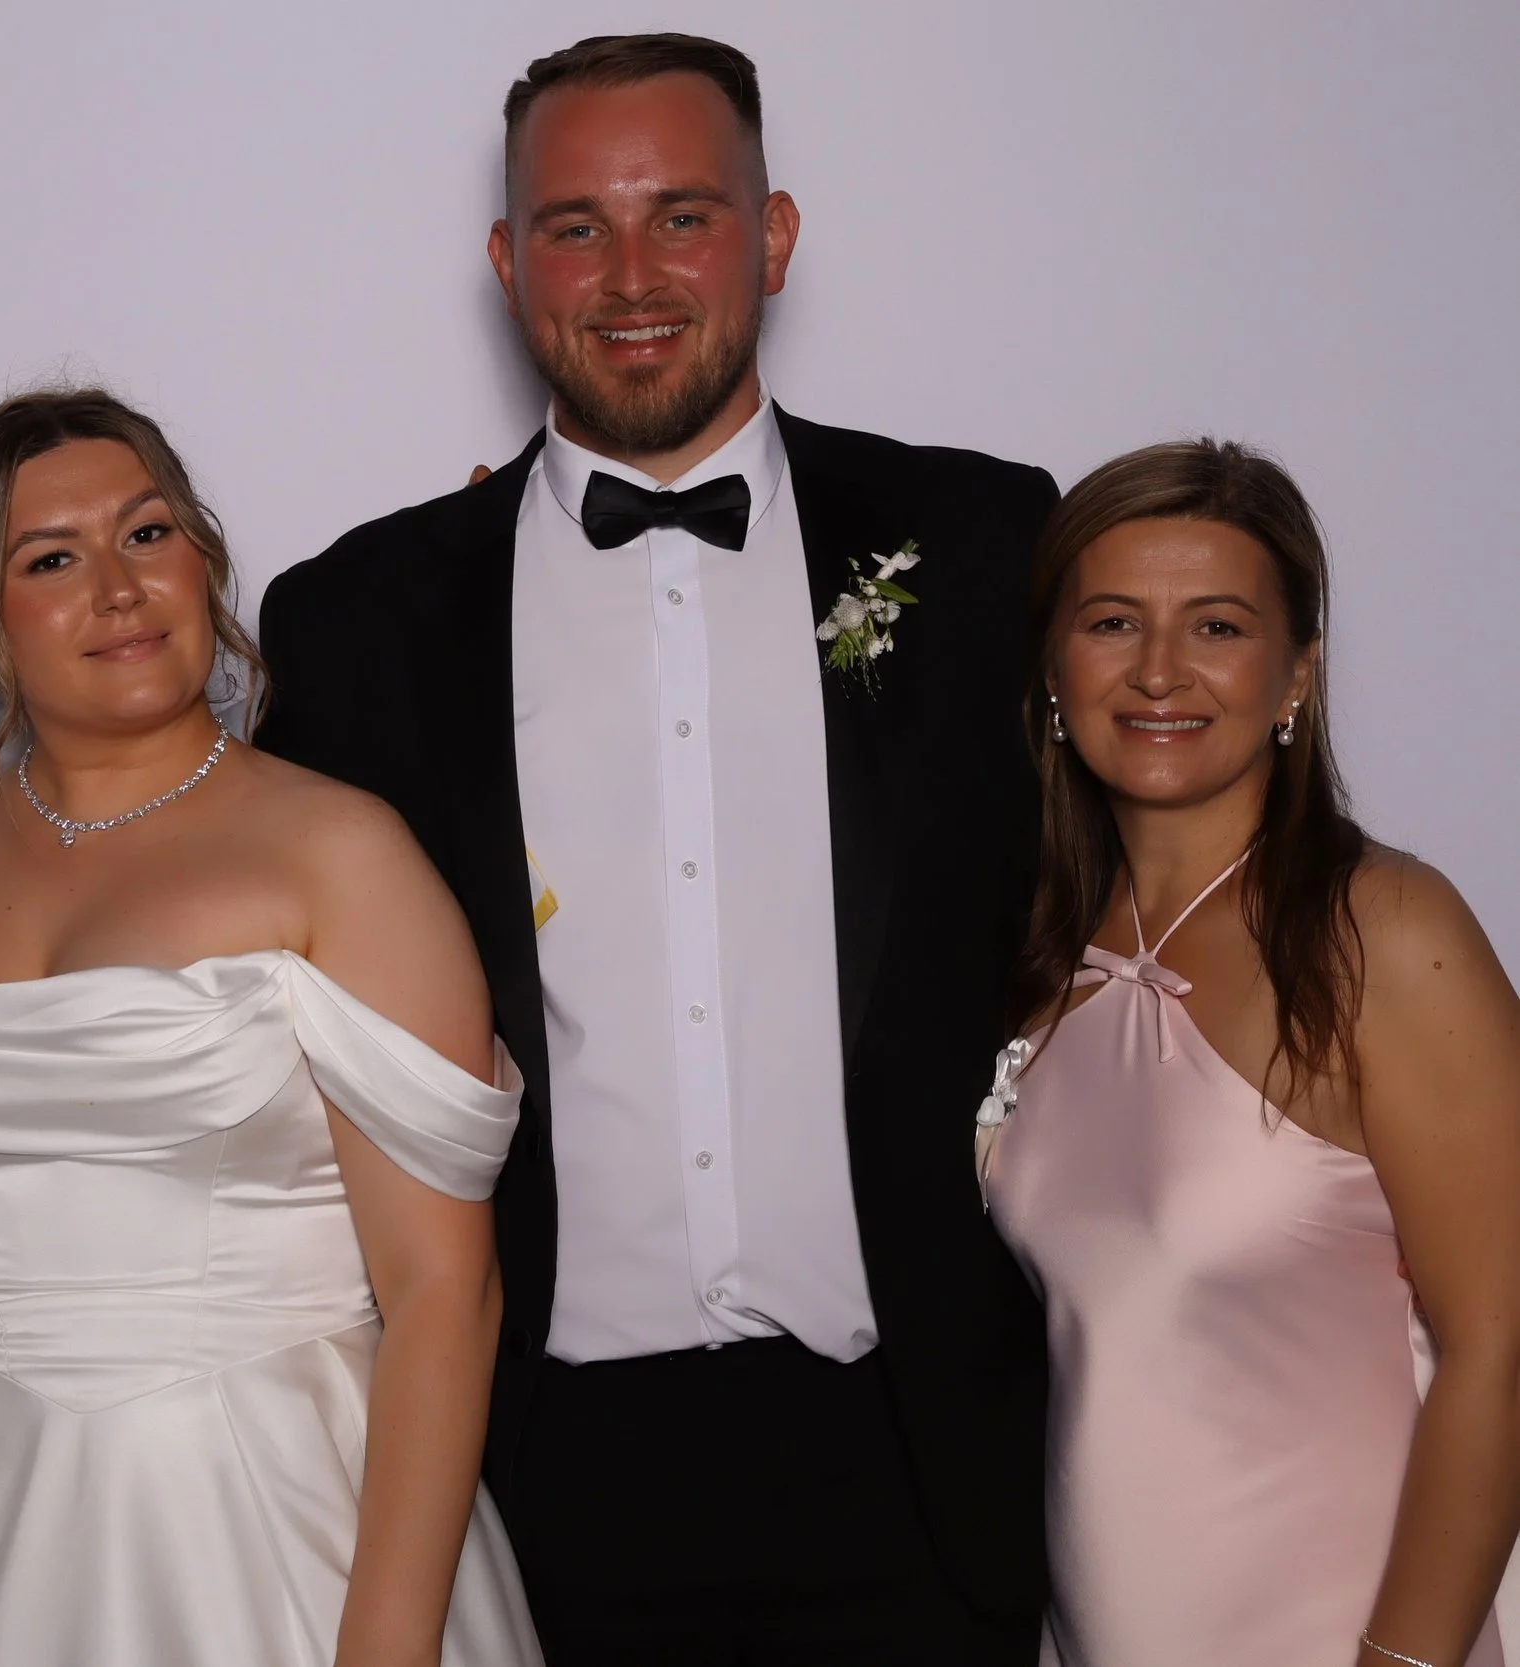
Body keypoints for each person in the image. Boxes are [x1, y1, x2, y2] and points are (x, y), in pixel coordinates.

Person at [247, 31, 1058, 1663]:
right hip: (530, 1471)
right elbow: (256, 999)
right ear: (507, 262)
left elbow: (1132, 901)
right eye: (576, 226)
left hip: (919, 1458)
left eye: (683, 216)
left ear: (773, 236)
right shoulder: (357, 621)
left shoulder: (983, 550)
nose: (630, 276)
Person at [0, 388, 542, 1667]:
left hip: (268, 1511)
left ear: (203, 559)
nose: (117, 589)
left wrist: (387, 1644)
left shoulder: (341, 851)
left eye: (147, 533)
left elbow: (446, 1292)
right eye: (50, 559)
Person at [977, 440, 1520, 1667]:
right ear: (1054, 667)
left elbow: (1501, 1345)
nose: (1158, 669)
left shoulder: (1384, 932)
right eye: (1112, 622)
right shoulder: (1039, 954)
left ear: (1296, 674)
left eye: (1216, 626)